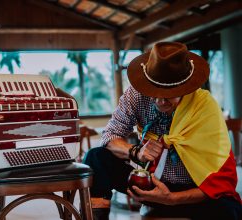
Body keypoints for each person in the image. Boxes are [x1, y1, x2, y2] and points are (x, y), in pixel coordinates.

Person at [83, 41, 242, 220]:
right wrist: (136, 152)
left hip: (193, 193)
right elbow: (110, 135)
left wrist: (172, 199)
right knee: (95, 157)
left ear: (185, 88)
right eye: (154, 91)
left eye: (168, 94)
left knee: (229, 210)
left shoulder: (203, 106)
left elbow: (223, 180)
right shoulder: (136, 94)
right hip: (151, 185)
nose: (160, 101)